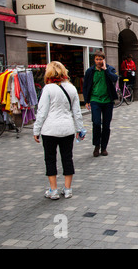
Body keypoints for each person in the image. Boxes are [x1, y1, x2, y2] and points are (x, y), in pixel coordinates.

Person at [33, 61, 83, 200]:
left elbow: (42, 112)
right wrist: (79, 129)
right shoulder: (72, 89)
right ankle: (67, 189)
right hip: (67, 129)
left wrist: (36, 130)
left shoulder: (48, 89)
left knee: (50, 159)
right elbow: (77, 112)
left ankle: (53, 190)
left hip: (50, 130)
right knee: (67, 158)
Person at [83, 50, 119, 157]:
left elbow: (115, 78)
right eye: (97, 59)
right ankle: (96, 146)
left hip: (108, 101)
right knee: (96, 123)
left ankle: (104, 147)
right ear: (94, 60)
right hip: (95, 100)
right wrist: (86, 101)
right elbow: (85, 87)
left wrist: (106, 70)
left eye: (100, 59)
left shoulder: (109, 69)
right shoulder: (90, 71)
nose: (98, 61)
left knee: (106, 126)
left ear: (104, 60)